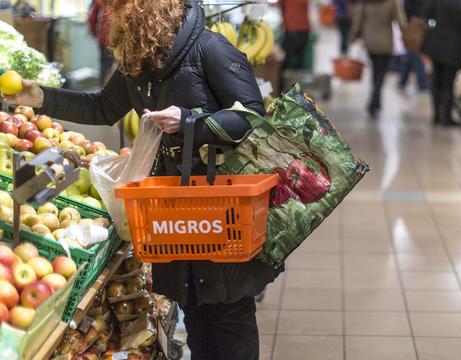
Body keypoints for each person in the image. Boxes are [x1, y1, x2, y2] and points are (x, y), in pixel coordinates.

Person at [2, 0, 281, 359]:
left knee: (229, 319)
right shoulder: (141, 61)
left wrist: (189, 120)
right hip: (175, 211)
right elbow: (102, 107)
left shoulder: (210, 49)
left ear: (148, 12)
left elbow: (252, 119)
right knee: (196, 317)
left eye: (119, 12)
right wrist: (40, 97)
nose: (112, 21)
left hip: (221, 210)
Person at [351, 0, 407, 117]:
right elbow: (401, 20)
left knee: (376, 70)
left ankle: (375, 100)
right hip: (385, 41)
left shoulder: (365, 2)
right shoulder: (392, 2)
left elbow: (358, 20)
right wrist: (406, 34)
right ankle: (375, 100)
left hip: (370, 40)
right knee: (381, 72)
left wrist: (354, 35)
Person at [398, 0, 429, 93]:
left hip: (413, 24)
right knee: (412, 53)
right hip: (420, 24)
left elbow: (406, 9)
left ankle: (420, 83)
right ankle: (404, 81)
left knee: (412, 53)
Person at [88, 0, 114, 85]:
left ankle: (104, 89)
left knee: (105, 65)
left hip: (104, 39)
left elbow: (91, 18)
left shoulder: (98, 2)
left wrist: (96, 34)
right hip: (115, 39)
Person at [280, 0, 311, 70]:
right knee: (299, 59)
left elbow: (282, 8)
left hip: (293, 28)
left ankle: (288, 78)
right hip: (302, 29)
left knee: (289, 59)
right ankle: (296, 78)